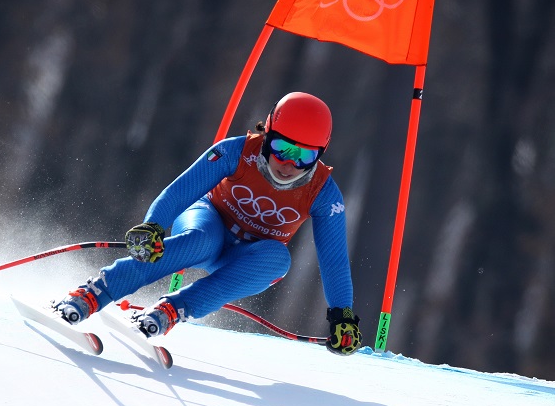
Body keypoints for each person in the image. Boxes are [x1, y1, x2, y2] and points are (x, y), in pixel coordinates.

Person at [52, 92, 362, 355]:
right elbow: (178, 192)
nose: (288, 164)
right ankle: (95, 292)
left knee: (278, 260)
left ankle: (172, 310)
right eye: (282, 149)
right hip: (210, 222)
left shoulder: (322, 193)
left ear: (319, 155)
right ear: (267, 134)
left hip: (246, 257)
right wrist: (153, 227)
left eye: (303, 156)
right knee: (202, 240)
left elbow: (333, 261)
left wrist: (342, 315)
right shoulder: (236, 152)